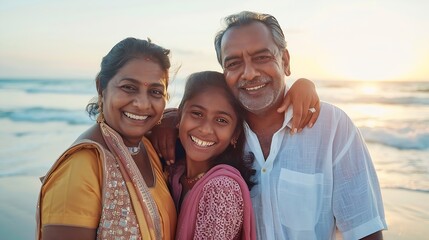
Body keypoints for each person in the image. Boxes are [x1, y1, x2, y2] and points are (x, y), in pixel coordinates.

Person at [213, 11, 387, 239]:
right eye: (234, 63)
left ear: (284, 61)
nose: (249, 73)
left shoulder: (332, 127)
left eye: (262, 57)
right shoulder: (215, 135)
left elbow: (365, 230)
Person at [35, 37, 176, 239]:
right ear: (101, 87)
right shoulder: (81, 168)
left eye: (155, 92)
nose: (143, 104)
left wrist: (173, 119)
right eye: (129, 87)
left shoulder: (151, 148)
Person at [168, 71, 256, 239]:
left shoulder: (222, 189)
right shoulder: (175, 172)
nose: (205, 129)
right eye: (197, 113)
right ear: (179, 116)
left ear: (235, 134)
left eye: (221, 120)